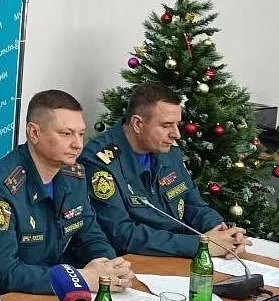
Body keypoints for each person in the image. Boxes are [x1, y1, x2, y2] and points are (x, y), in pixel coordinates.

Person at [0, 89, 134, 294]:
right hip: (10, 300)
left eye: (81, 134)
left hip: (54, 291)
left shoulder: (74, 175)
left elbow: (90, 235)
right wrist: (80, 278)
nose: (78, 144)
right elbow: (5, 273)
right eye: (66, 134)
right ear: (34, 133)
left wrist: (110, 268)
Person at [79, 82, 249, 258]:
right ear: (137, 124)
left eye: (177, 124)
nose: (177, 134)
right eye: (167, 125)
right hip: (136, 260)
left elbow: (192, 204)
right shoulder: (99, 162)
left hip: (176, 254)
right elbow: (122, 234)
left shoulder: (167, 150)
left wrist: (221, 231)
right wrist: (199, 245)